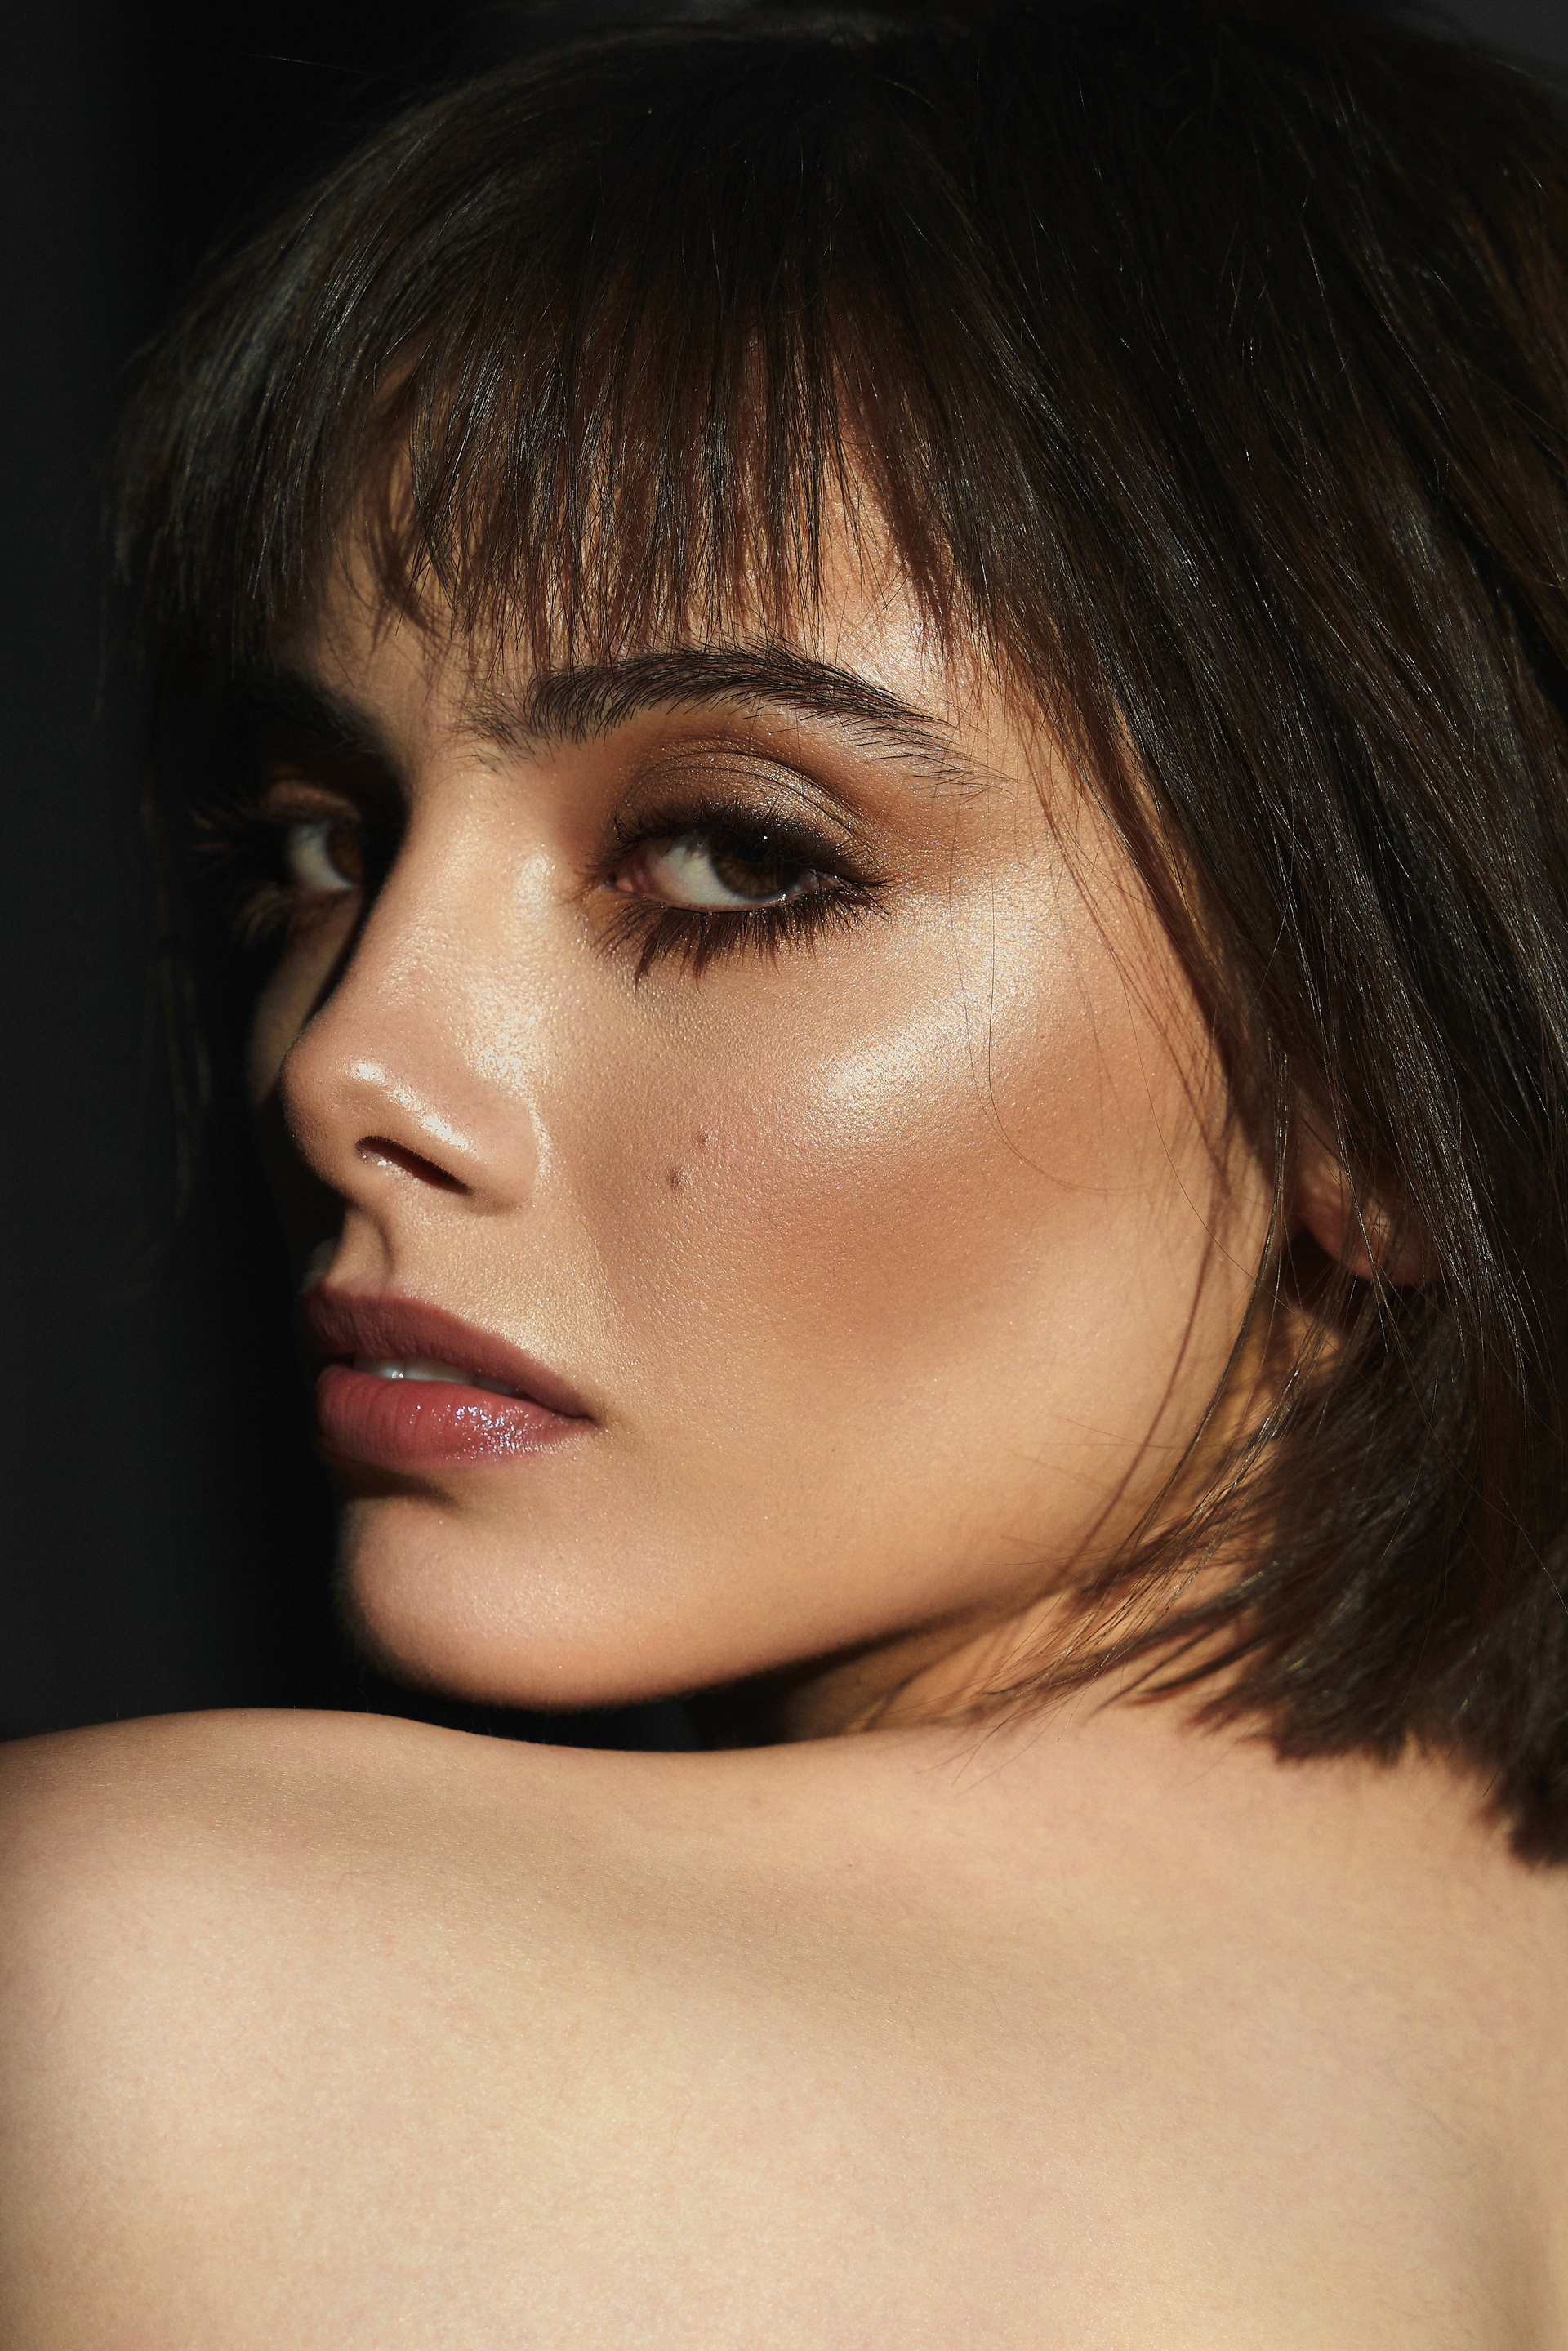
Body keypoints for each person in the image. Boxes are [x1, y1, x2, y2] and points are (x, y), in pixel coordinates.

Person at [3, 0, 1567, 2338]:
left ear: (1401, 1063)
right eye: (322, 842)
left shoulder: (157, 2004)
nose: (349, 1063)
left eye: (736, 860)